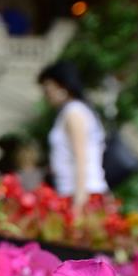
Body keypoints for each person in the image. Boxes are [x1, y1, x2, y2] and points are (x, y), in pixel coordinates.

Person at [37, 61, 108, 214]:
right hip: (70, 191)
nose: (46, 93)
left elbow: (81, 158)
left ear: (62, 85)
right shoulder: (69, 112)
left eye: (48, 86)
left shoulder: (74, 112)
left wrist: (79, 201)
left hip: (81, 194)